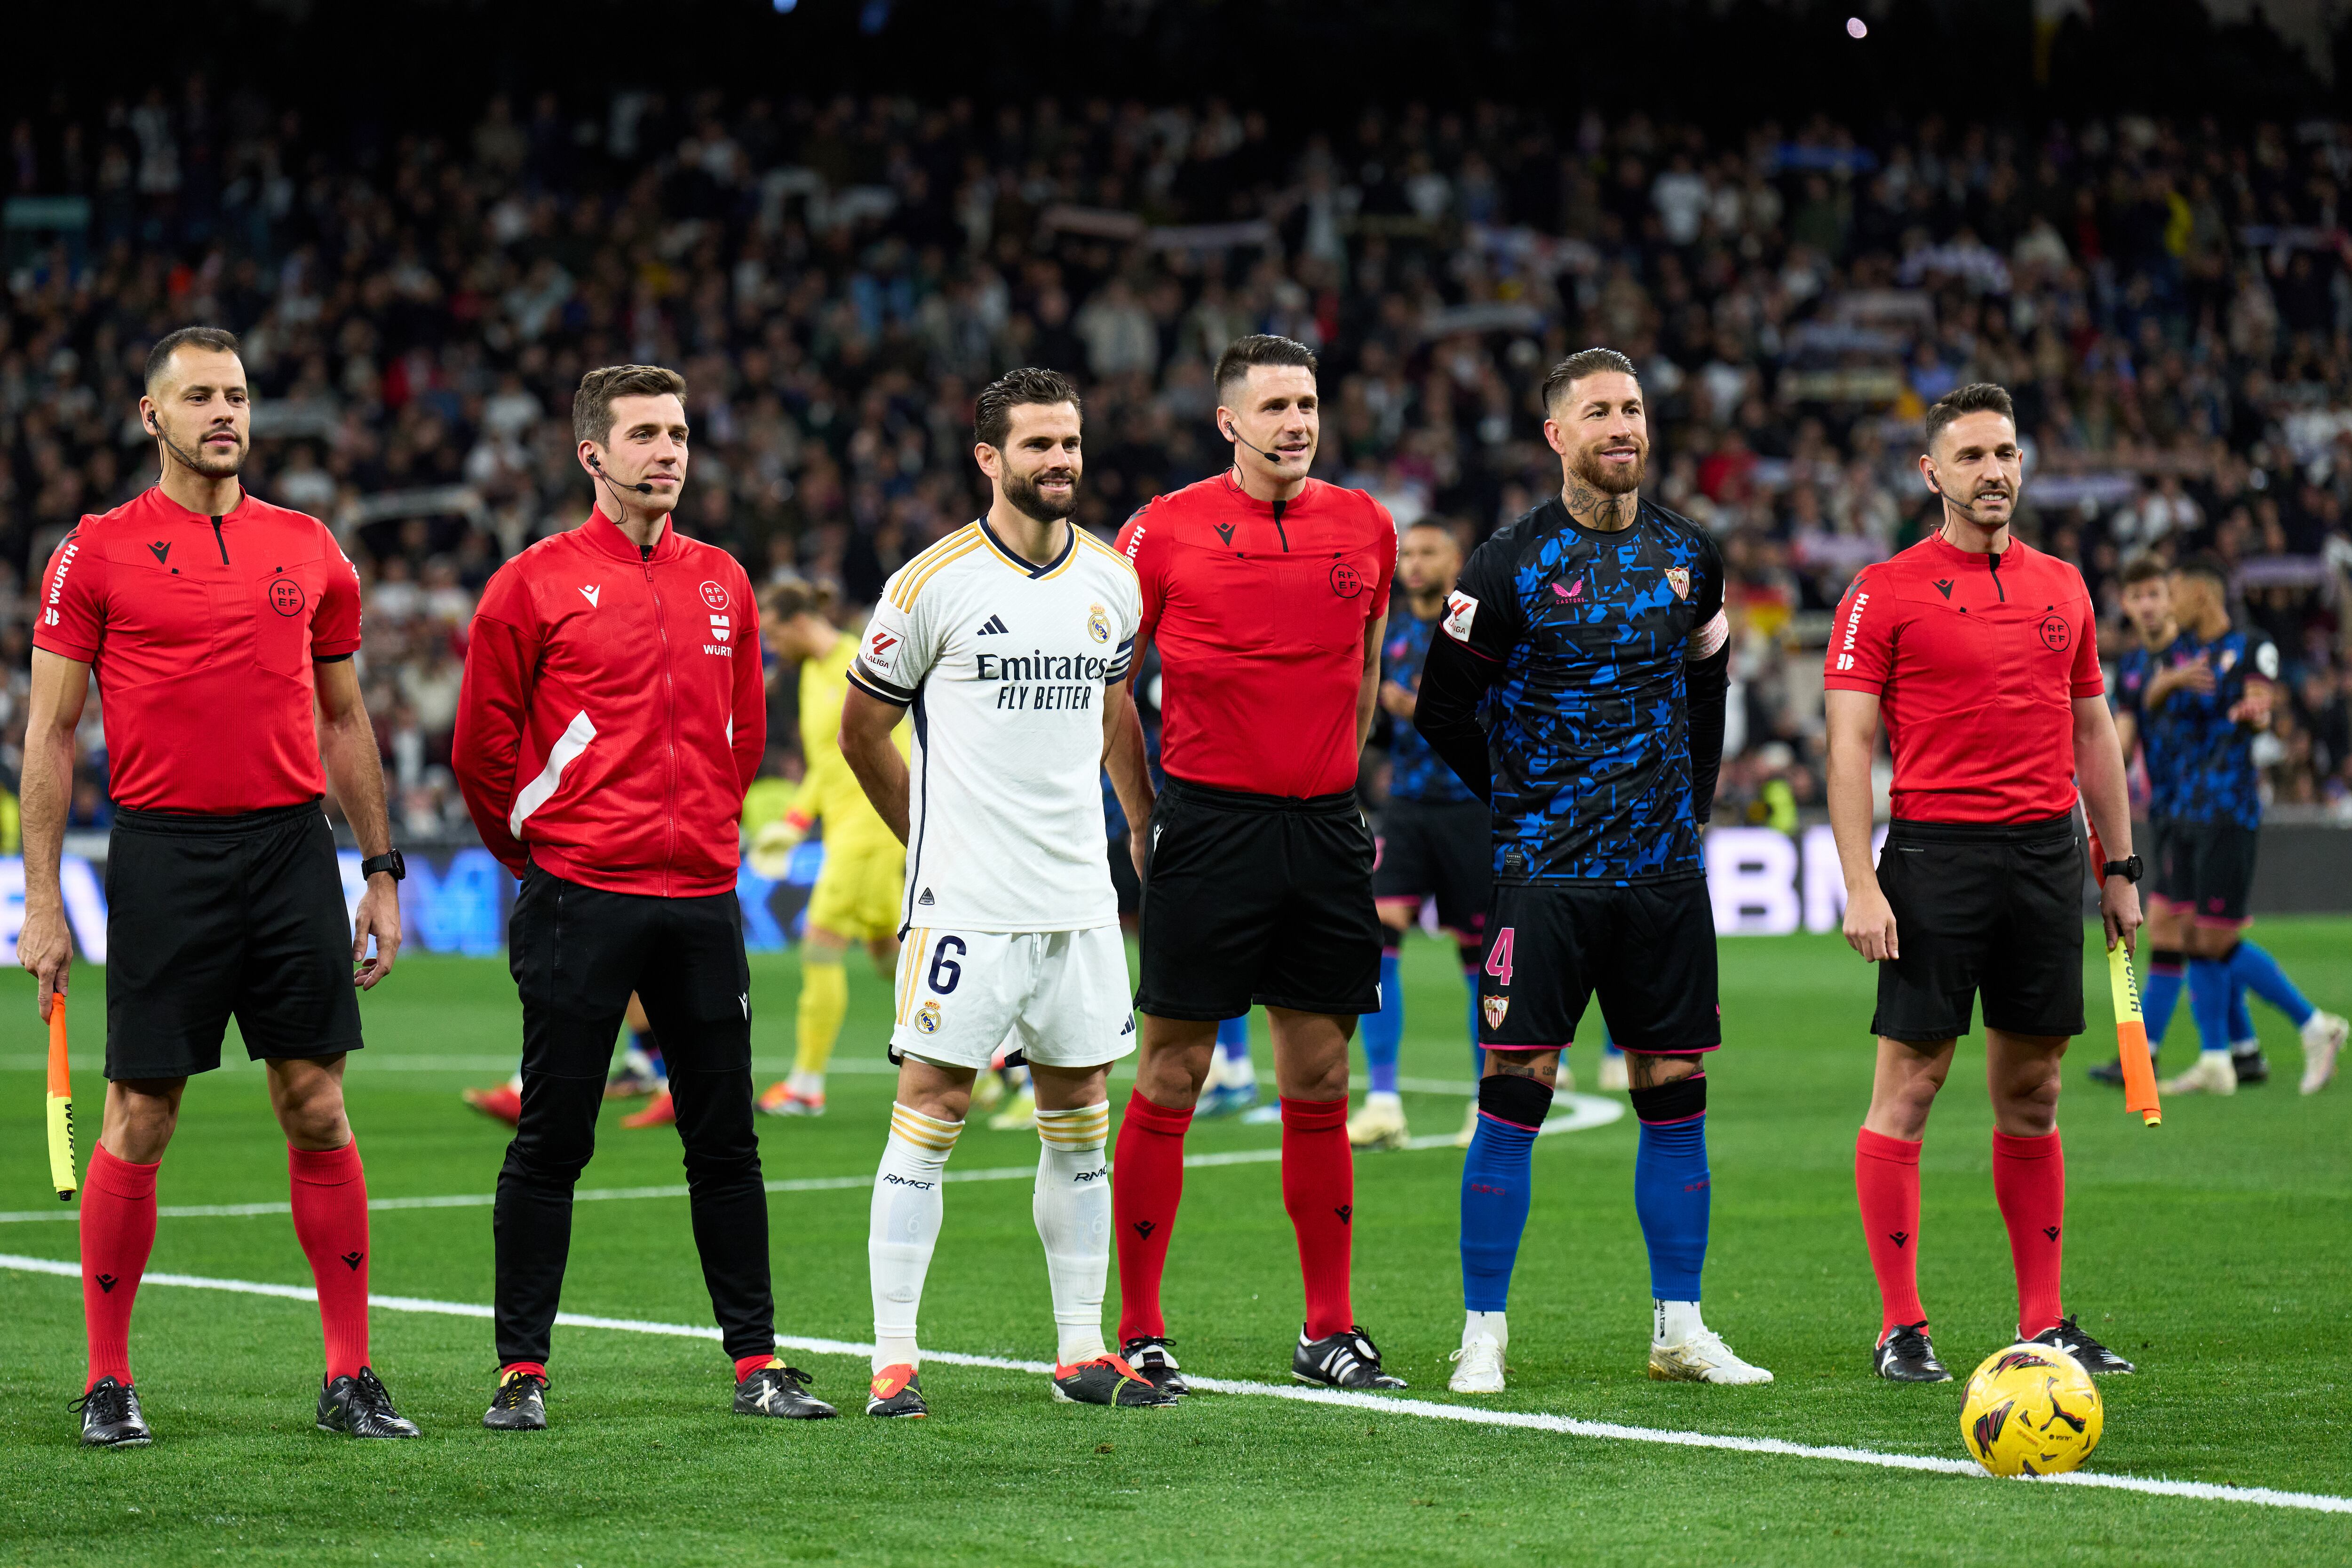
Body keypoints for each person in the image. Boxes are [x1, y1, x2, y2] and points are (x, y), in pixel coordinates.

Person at [21, 326, 413, 1445]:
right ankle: (107, 1380)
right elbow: (49, 736)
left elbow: (344, 719)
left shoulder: (309, 547)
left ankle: (351, 1374)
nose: (224, 414)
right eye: (198, 398)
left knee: (317, 1103)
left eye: (236, 396)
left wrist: (379, 868)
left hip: (292, 852)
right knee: (141, 1117)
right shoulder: (93, 551)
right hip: (162, 856)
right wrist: (44, 898)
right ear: (153, 416)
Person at [452, 363, 834, 1429]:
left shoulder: (725, 582)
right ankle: (520, 1373)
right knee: (554, 1140)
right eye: (645, 436)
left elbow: (745, 734)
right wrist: (538, 854)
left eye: (677, 434)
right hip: (582, 891)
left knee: (725, 1143)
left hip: (704, 897)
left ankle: (757, 1363)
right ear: (592, 455)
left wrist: (708, 821)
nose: (668, 451)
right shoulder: (530, 582)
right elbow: (480, 749)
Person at [1414, 348, 1767, 1393]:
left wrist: (1689, 806)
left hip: (1661, 872)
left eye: (1634, 409)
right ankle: (1483, 1330)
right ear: (1557, 436)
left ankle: (1681, 1325)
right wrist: (1522, 800)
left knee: (1673, 1085)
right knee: (1516, 1085)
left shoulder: (1689, 556)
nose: (1623, 426)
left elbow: (1708, 684)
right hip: (1545, 872)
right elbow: (1441, 709)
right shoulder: (1506, 564)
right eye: (1599, 412)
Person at [838, 368, 1170, 1415]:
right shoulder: (930, 583)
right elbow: (862, 729)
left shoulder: (1113, 580)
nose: (1059, 461)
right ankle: (894, 1356)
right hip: (966, 904)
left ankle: (1080, 1351)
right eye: (1037, 446)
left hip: (1079, 902)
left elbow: (1116, 709)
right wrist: (925, 845)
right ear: (989, 458)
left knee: (1078, 1113)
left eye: (1069, 442)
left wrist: (1138, 819)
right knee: (930, 1110)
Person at [1826, 382, 2142, 1385]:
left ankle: (2044, 1319)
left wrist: (2118, 866)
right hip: (1934, 858)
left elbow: (2092, 731)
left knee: (2036, 1088)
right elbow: (1846, 747)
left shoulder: (2064, 585)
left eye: (2004, 453)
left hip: (2046, 857)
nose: (1993, 472)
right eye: (1969, 457)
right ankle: (1900, 1323)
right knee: (1910, 1084)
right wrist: (1858, 882)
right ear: (1931, 474)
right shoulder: (1883, 589)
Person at [1109, 334, 1404, 1394]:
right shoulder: (1161, 529)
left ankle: (1329, 1328)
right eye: (1275, 404)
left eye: (1309, 402)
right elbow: (1114, 681)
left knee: (1319, 1075)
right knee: (1173, 1069)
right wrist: (1142, 813)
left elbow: (1365, 660)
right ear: (1227, 420)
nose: (1297, 421)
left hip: (1322, 830)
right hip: (1207, 826)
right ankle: (1140, 1327)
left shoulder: (1366, 523)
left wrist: (1346, 784)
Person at [2105, 555, 2344, 1097]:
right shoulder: (2194, 657)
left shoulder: (2248, 644)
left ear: (2203, 596)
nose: (2169, 602)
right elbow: (2147, 704)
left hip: (2226, 811)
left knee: (2212, 936)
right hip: (2186, 812)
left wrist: (2254, 713)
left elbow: (2260, 701)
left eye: (2177, 591)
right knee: (2189, 932)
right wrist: (2167, 682)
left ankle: (2313, 1024)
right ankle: (2219, 1057)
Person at [1356, 518, 1493, 1153]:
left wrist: (1426, 707)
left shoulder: (1477, 624)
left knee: (1480, 956)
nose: (1414, 563)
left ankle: (1484, 1100)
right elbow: (1377, 727)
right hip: (1408, 807)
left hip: (1470, 807)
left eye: (1429, 551)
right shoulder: (1389, 628)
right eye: (1406, 552)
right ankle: (1383, 1099)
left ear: (1456, 558)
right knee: (1378, 938)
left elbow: (1504, 711)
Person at [749, 575, 909, 1120]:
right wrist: (794, 822)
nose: (771, 647)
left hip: (870, 828)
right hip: (845, 830)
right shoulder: (814, 674)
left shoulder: (856, 663)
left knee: (820, 945)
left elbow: (881, 745)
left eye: (773, 633)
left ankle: (805, 1084)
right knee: (892, 956)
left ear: (797, 623)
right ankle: (981, 1059)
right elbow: (827, 762)